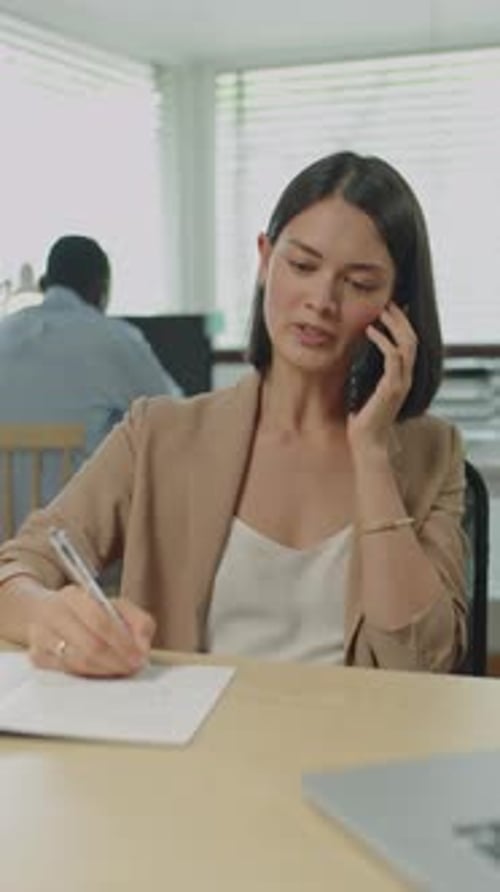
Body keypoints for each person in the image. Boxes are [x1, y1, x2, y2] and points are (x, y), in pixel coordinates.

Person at [0, 153, 468, 677]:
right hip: (191, 730)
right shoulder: (158, 433)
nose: (321, 300)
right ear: (265, 260)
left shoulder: (434, 453)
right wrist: (49, 617)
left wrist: (372, 454)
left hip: (357, 730)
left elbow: (422, 663)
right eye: (303, 266)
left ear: (396, 305)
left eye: (359, 283)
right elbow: (16, 570)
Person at [0, 234, 181, 535]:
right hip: (78, 544)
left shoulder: (4, 332)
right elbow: (175, 417)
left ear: (45, 284)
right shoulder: (115, 339)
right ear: (100, 290)